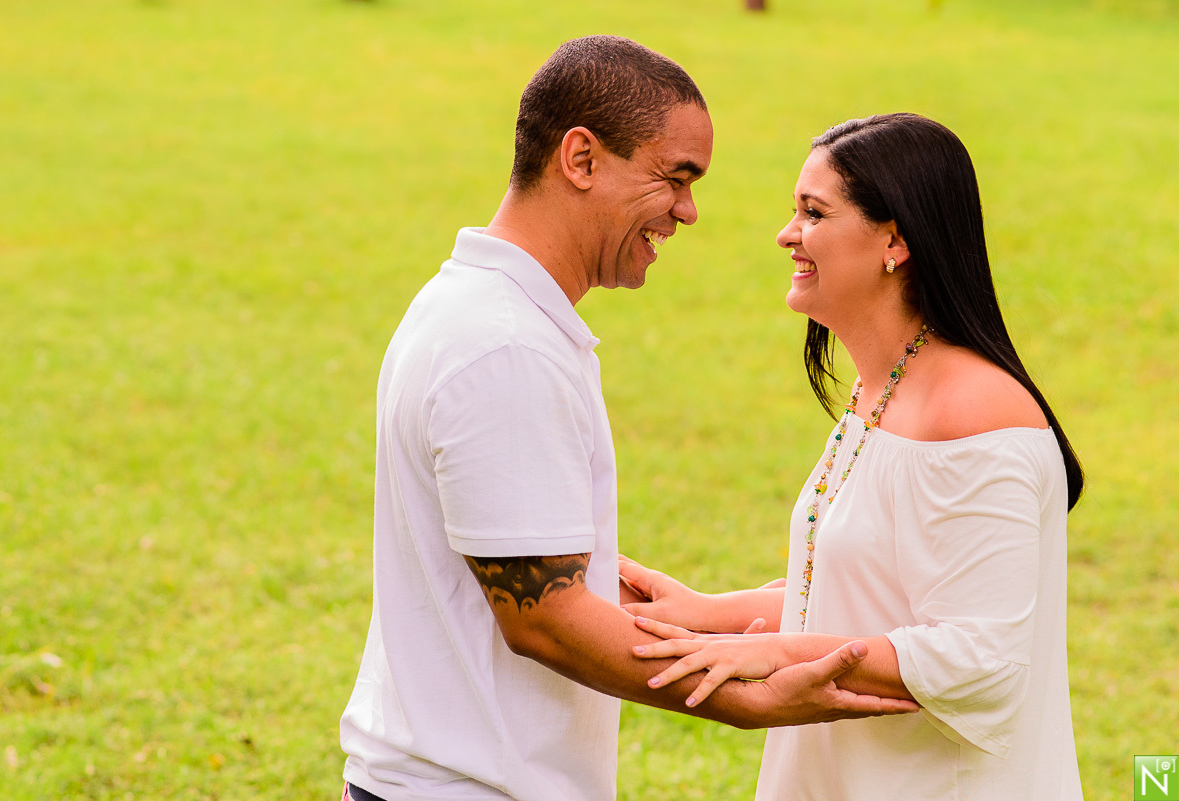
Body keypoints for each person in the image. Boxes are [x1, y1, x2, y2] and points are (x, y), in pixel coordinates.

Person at [337, 39, 917, 801]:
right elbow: (542, 618)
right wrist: (745, 697)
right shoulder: (505, 344)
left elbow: (513, 572)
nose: (688, 210)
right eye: (673, 177)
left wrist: (700, 614)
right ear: (580, 158)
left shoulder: (482, 310)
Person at [620, 113, 1086, 800]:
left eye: (813, 212)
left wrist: (780, 653)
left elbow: (983, 657)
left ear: (894, 240)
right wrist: (706, 611)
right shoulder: (879, 388)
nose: (787, 234)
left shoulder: (974, 413)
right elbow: (861, 589)